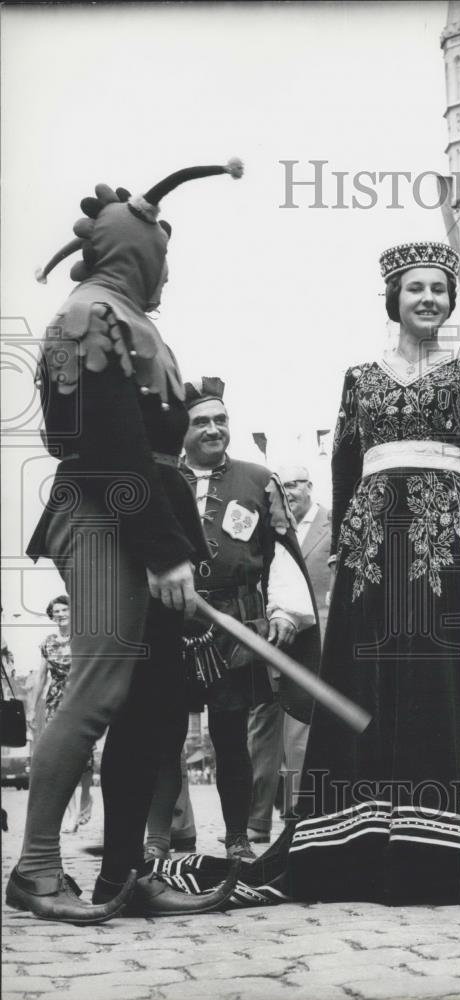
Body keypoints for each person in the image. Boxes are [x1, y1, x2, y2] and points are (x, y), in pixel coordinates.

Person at [153, 240, 460, 907]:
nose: (429, 298)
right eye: (416, 289)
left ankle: (458, 833)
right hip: (374, 556)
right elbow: (345, 471)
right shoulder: (359, 378)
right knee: (378, 686)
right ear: (394, 299)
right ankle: (365, 833)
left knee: (446, 682)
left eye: (440, 288)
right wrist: (346, 551)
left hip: (449, 546)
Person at [6, 161, 245, 923]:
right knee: (101, 689)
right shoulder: (86, 314)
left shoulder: (130, 318)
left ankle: (123, 874)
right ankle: (36, 869)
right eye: (160, 259)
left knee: (154, 704)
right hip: (108, 515)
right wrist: (162, 548)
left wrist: (169, 540)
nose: (167, 274)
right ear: (135, 254)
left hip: (145, 520)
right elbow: (106, 446)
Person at [144, 380, 319, 863]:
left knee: (230, 734)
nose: (214, 429)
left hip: (234, 627)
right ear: (182, 428)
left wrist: (284, 610)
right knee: (166, 733)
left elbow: (282, 552)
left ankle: (238, 838)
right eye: (202, 421)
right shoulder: (157, 477)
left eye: (221, 420)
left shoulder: (259, 480)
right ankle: (158, 836)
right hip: (170, 624)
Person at [246, 464, 331, 842]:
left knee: (301, 734)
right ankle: (255, 822)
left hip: (315, 643)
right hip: (267, 640)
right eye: (284, 485)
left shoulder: (334, 524)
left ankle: (300, 821)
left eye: (296, 483)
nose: (289, 491)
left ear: (310, 485)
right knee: (260, 729)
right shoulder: (267, 525)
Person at [31, 595, 93, 833]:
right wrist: (30, 708)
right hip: (56, 702)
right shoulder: (48, 643)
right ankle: (73, 813)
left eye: (64, 610)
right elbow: (41, 677)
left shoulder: (85, 639)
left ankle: (87, 797)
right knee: (59, 759)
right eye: (55, 611)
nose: (60, 614)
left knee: (85, 758)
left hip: (81, 698)